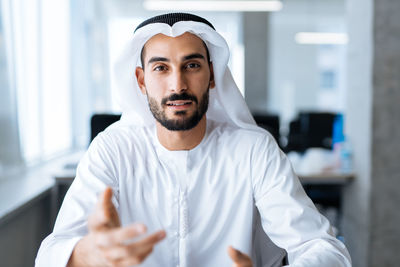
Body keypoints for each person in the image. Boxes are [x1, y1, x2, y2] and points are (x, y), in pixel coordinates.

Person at [35, 13, 351, 267]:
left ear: (212, 75)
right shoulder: (113, 149)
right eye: (161, 67)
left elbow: (322, 247)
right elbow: (50, 254)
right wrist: (88, 254)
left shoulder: (253, 150)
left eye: (192, 65)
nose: (178, 83)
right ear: (141, 81)